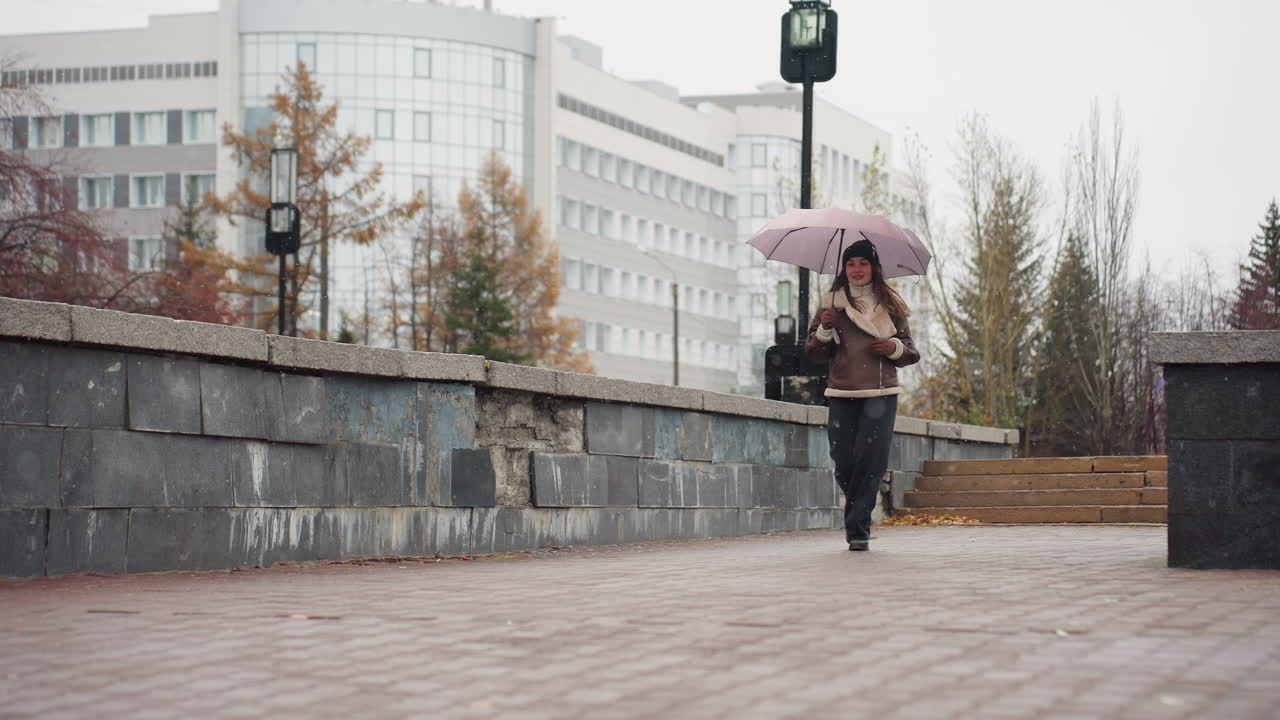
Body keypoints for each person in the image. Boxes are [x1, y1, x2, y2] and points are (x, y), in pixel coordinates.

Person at [804, 239, 920, 551]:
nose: (856, 269)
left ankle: (858, 530)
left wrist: (892, 347)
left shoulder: (892, 305)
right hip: (842, 392)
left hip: (881, 393)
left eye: (863, 263)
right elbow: (814, 354)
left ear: (874, 268)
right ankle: (867, 494)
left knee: (870, 459)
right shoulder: (831, 304)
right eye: (851, 263)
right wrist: (824, 329)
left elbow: (911, 351)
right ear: (844, 269)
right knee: (842, 461)